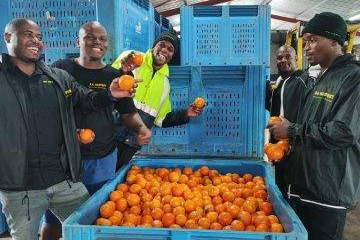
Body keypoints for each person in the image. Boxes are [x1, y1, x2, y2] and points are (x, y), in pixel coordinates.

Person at [0, 18, 134, 240]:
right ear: (8, 37)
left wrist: (110, 94)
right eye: (28, 34)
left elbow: (88, 99)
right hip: (19, 189)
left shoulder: (58, 77)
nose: (36, 41)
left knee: (89, 229)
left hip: (64, 181)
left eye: (39, 37)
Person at [41, 22, 152, 240]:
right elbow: (44, 109)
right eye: (90, 37)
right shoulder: (60, 69)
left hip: (103, 158)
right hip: (64, 158)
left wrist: (141, 128)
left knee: (99, 214)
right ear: (78, 42)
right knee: (54, 219)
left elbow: (128, 112)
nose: (97, 42)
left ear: (107, 45)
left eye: (102, 39)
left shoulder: (114, 75)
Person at [268, 12, 360, 240]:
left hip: (328, 192)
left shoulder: (353, 78)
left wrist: (292, 130)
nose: (307, 47)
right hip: (306, 186)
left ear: (335, 41)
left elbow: (343, 131)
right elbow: (313, 124)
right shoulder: (322, 78)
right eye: (305, 40)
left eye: (313, 40)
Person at [112, 30, 203, 170]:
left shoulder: (165, 84)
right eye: (162, 44)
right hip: (109, 135)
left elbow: (162, 118)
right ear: (154, 46)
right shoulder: (132, 59)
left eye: (170, 49)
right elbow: (107, 82)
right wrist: (123, 70)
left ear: (172, 56)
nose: (165, 50)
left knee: (113, 182)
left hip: (131, 144)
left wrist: (186, 114)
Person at [265, 45, 306, 197]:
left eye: (287, 57)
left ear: (296, 58)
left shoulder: (303, 81)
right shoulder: (280, 83)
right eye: (280, 57)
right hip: (278, 148)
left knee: (290, 190)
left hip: (293, 147)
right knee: (280, 187)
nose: (283, 60)